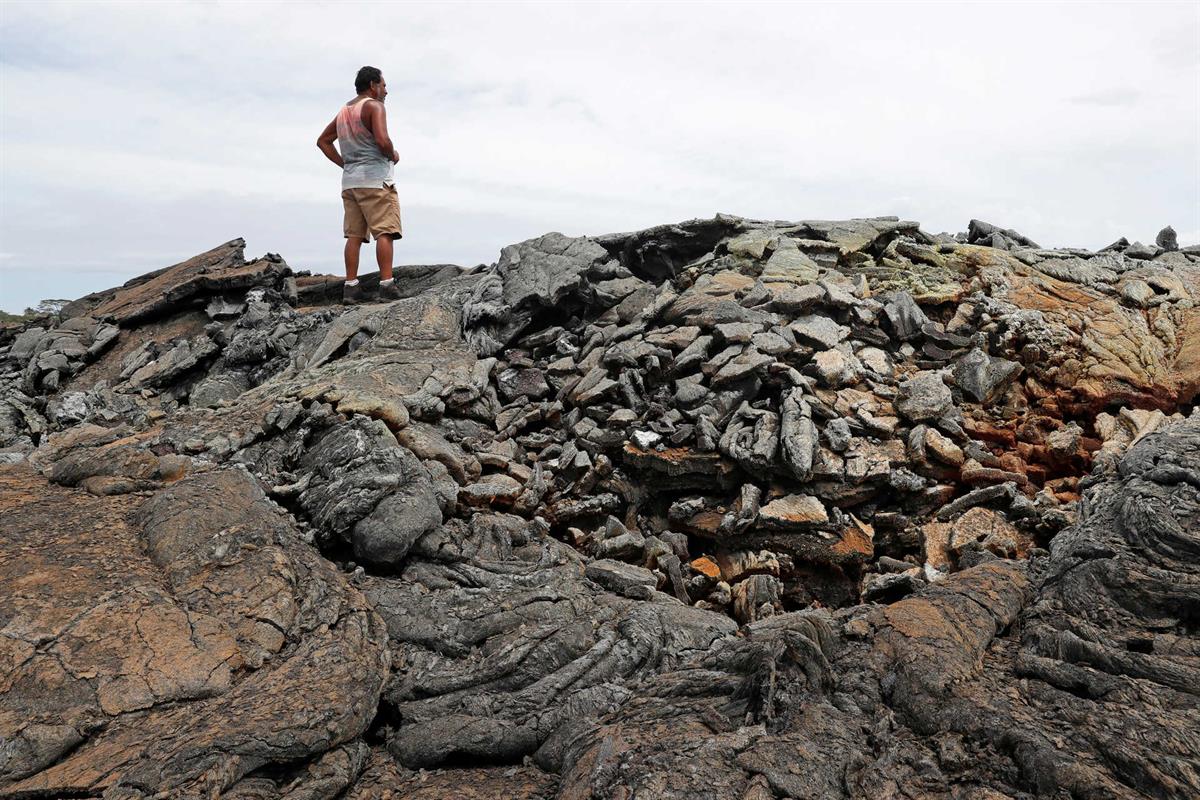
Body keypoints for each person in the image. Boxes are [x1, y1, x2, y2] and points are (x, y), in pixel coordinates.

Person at [316, 66, 403, 304]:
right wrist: (391, 153)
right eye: (383, 85)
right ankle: (387, 285)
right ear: (373, 85)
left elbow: (323, 141)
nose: (386, 90)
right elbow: (382, 139)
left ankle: (351, 287)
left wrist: (345, 164)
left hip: (350, 183)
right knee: (385, 231)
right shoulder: (375, 106)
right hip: (376, 181)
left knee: (354, 235)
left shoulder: (344, 111)